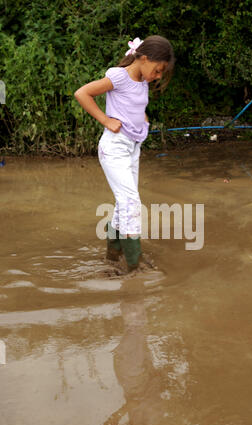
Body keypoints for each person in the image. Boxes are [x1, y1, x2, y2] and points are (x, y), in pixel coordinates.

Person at [74, 35, 175, 271]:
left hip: (132, 148)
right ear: (144, 58)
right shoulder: (119, 76)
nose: (158, 76)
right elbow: (82, 93)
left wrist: (143, 121)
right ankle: (134, 264)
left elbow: (136, 106)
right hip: (115, 147)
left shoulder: (142, 81)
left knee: (124, 203)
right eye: (158, 70)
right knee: (131, 204)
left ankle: (112, 256)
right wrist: (105, 119)